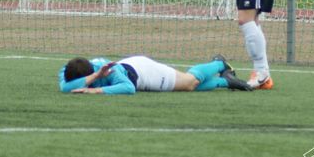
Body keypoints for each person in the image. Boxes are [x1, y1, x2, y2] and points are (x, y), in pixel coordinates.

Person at [59, 54, 252, 94]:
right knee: (186, 88)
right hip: (135, 67)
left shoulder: (111, 70)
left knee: (189, 82)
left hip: (144, 72)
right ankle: (226, 82)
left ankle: (219, 63)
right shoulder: (69, 70)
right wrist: (92, 79)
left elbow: (128, 88)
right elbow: (65, 87)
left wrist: (95, 90)